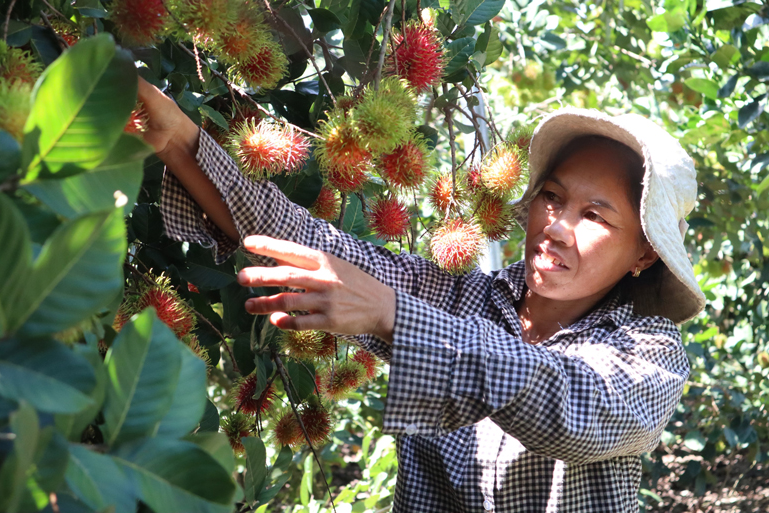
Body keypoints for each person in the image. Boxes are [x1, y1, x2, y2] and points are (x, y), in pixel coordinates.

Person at [137, 77, 706, 512]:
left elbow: (573, 405)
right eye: (552, 196)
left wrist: (396, 318)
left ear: (644, 254)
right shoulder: (467, 301)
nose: (555, 225)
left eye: (594, 216)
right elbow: (315, 244)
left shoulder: (649, 355)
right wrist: (180, 141)